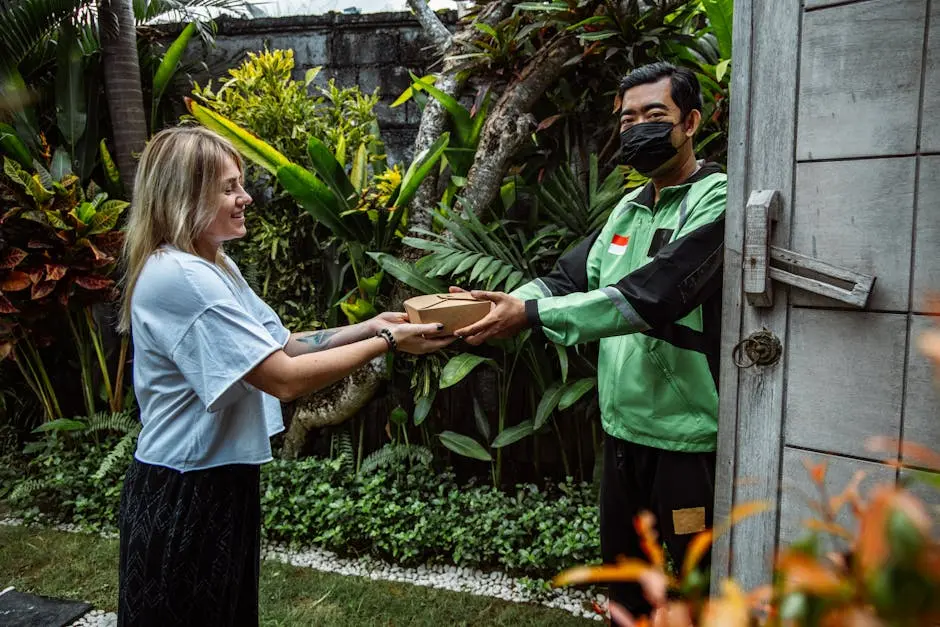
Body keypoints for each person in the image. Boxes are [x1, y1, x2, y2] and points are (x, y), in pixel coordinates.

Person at [115, 125, 454, 626]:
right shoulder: (182, 277)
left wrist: (369, 326)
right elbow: (285, 378)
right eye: (229, 187)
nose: (245, 197)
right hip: (184, 488)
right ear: (186, 194)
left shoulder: (214, 264)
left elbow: (284, 344)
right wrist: (386, 344)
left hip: (219, 480)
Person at [450, 62, 726, 620]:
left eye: (656, 115)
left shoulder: (715, 200)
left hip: (687, 440)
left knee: (701, 585)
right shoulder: (628, 208)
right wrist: (493, 305)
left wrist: (528, 314)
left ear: (691, 122)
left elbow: (651, 295)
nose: (638, 128)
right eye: (628, 120)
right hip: (623, 434)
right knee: (623, 583)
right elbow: (566, 279)